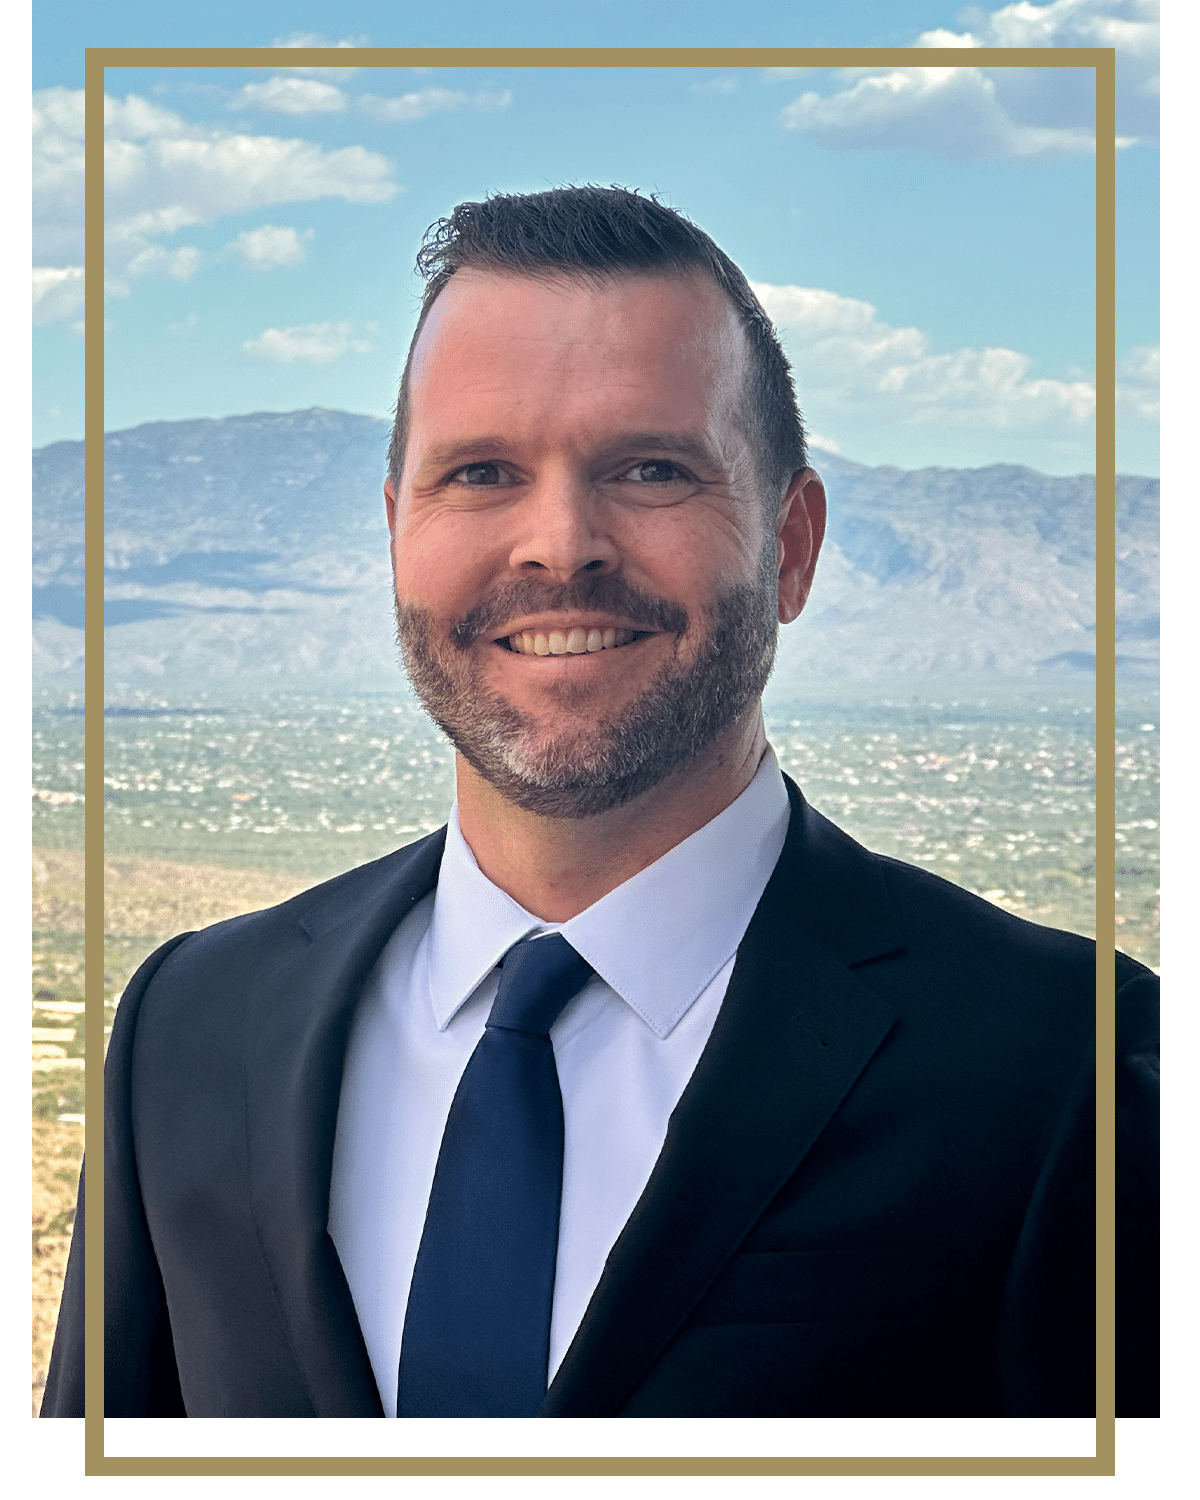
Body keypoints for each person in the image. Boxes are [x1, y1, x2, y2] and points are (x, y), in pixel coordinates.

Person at [43, 186, 1158, 1420]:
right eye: (479, 473)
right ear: (396, 534)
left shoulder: (1069, 1072)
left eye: (650, 468)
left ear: (789, 547)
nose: (557, 545)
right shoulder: (191, 1030)